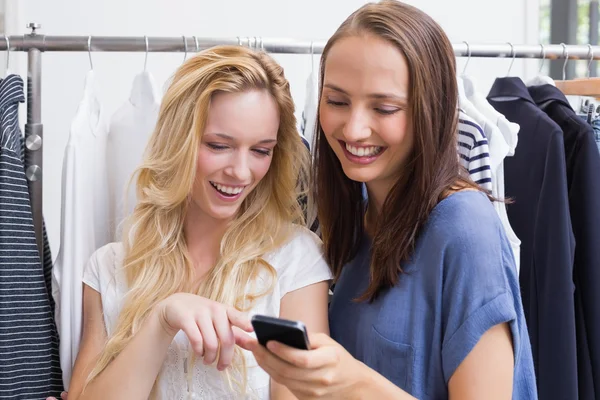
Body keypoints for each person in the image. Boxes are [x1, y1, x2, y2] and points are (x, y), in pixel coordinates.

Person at [243, 1, 538, 399]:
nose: (354, 128)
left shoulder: (465, 227)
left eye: (384, 108)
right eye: (337, 101)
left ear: (429, 111)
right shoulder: (358, 220)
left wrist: (352, 382)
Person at [52, 45, 332, 400]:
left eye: (261, 150)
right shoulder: (109, 268)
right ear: (178, 141)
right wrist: (162, 320)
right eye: (219, 145)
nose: (241, 171)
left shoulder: (295, 260)